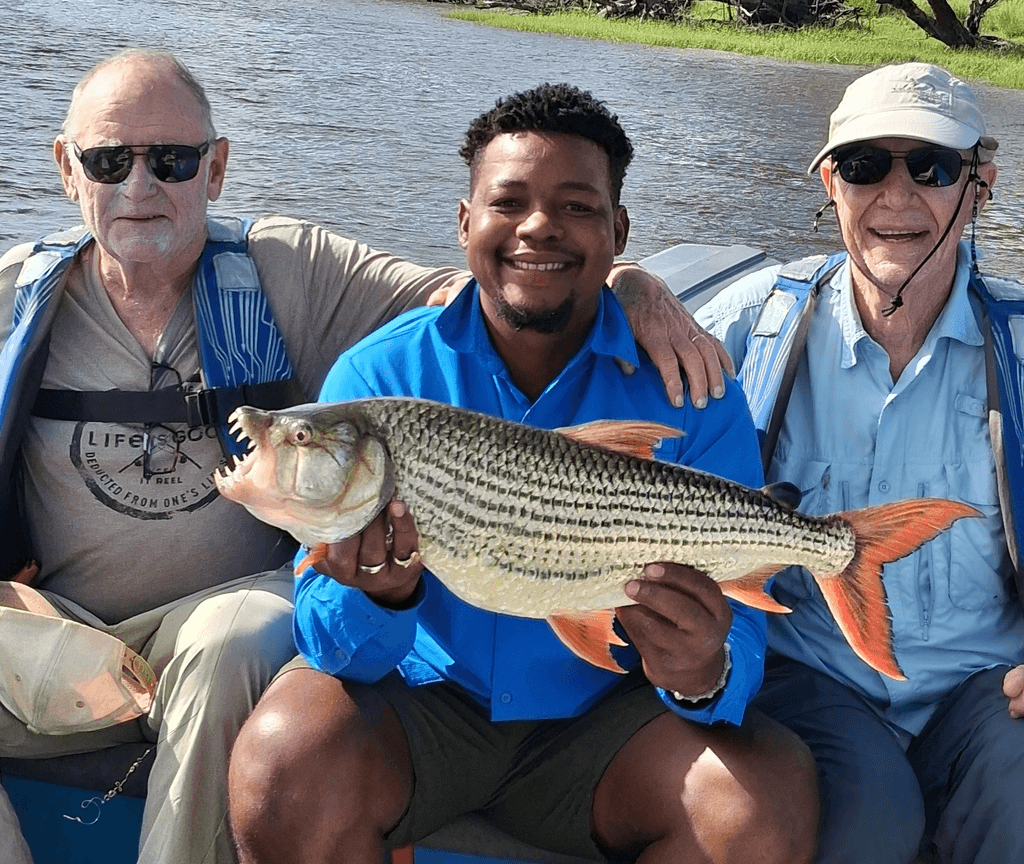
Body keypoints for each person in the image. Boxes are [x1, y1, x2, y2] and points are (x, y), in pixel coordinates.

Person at [0, 51, 734, 864]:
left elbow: (500, 283)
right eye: (109, 160)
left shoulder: (294, 271)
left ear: (216, 167)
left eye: (171, 160)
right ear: (66, 169)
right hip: (50, 621)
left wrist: (630, 284)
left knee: (236, 645)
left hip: (226, 625)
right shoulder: (12, 296)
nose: (140, 187)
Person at [228, 83, 820, 864]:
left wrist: (703, 671)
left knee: (765, 806)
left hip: (611, 721)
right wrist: (378, 595)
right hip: (423, 707)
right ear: (465, 221)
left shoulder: (690, 382)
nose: (538, 226)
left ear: (619, 232)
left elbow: (742, 616)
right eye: (508, 202)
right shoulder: (378, 374)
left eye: (576, 206)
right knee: (280, 767)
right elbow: (337, 652)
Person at [695, 62, 1024, 864]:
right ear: (829, 183)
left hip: (988, 693)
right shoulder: (746, 326)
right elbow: (588, 371)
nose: (897, 196)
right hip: (810, 680)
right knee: (866, 828)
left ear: (979, 187)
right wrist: (631, 285)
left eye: (933, 167)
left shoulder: (1016, 346)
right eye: (866, 165)